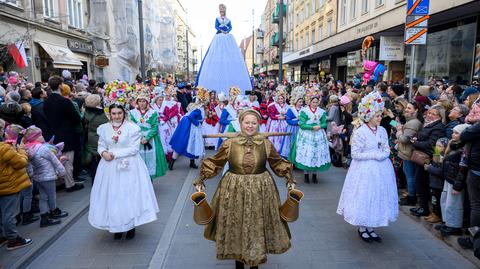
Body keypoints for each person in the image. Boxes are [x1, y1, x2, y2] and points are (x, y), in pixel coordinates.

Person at [193, 109, 295, 269]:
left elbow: (277, 162)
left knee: (256, 223)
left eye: (253, 123)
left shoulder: (266, 144)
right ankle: (238, 261)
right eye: (246, 122)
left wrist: (289, 178)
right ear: (240, 123)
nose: (250, 126)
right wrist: (202, 178)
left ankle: (255, 261)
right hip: (234, 189)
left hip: (261, 189)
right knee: (235, 222)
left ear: (258, 124)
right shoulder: (229, 143)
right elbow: (215, 161)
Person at [89, 104, 159, 240]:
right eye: (113, 113)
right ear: (109, 114)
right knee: (113, 195)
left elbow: (134, 149)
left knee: (128, 195)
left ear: (124, 113)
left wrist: (113, 154)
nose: (116, 116)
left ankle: (130, 225)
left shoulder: (133, 128)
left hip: (129, 166)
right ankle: (117, 226)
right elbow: (101, 144)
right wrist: (103, 153)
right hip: (109, 167)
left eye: (119, 113)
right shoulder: (104, 128)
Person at [337, 92, 398, 243]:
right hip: (364, 170)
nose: (379, 118)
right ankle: (363, 227)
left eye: (379, 115)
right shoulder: (360, 132)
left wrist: (383, 154)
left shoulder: (383, 130)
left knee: (377, 195)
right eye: (377, 116)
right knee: (365, 194)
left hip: (382, 169)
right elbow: (356, 154)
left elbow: (386, 147)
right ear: (369, 116)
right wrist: (374, 155)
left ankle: (372, 226)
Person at [195, 4, 252, 95]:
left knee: (230, 52)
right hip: (219, 35)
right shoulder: (217, 19)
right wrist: (221, 31)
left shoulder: (228, 20)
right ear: (219, 12)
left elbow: (231, 27)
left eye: (223, 11)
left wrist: (227, 31)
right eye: (221, 11)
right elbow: (216, 26)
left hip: (227, 35)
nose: (222, 12)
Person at [43, 76, 84, 192]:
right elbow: (76, 118)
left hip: (53, 134)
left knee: (57, 159)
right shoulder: (65, 102)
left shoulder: (46, 102)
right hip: (67, 134)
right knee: (68, 160)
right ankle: (70, 184)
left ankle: (60, 182)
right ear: (60, 85)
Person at [23, 126, 68, 227]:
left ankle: (44, 218)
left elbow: (29, 165)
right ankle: (54, 211)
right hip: (48, 177)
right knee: (51, 196)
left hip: (38, 177)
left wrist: (31, 174)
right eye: (40, 135)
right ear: (35, 137)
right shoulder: (43, 148)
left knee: (43, 197)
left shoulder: (29, 149)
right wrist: (62, 172)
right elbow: (55, 161)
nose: (42, 137)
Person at [0, 125, 33, 250]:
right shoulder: (3, 147)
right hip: (7, 184)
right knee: (9, 214)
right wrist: (21, 150)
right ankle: (13, 240)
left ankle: (2, 236)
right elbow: (21, 163)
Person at [410, 105, 446, 217]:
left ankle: (424, 207)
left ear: (440, 116)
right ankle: (422, 206)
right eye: (429, 113)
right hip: (420, 156)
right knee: (419, 182)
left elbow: (432, 145)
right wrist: (415, 138)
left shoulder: (438, 127)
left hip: (427, 158)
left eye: (433, 114)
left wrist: (415, 142)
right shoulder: (427, 124)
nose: (430, 115)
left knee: (421, 182)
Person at [290, 95, 331, 184]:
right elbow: (302, 124)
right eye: (313, 102)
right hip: (306, 135)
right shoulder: (304, 111)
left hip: (318, 135)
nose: (315, 104)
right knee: (307, 153)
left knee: (316, 154)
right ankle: (306, 175)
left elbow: (324, 124)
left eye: (317, 102)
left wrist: (319, 126)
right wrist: (311, 127)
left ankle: (314, 175)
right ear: (309, 102)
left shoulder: (322, 111)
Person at [438, 124, 470, 236]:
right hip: (449, 177)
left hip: (455, 179)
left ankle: (454, 226)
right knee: (445, 200)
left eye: (456, 133)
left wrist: (457, 185)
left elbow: (462, 168)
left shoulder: (464, 148)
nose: (453, 134)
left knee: (454, 203)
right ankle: (447, 221)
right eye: (453, 132)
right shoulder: (453, 145)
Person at [129, 94, 168, 179]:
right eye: (140, 101)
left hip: (151, 140)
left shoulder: (153, 113)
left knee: (151, 160)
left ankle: (149, 181)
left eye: (143, 101)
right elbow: (131, 126)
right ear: (137, 102)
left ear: (147, 102)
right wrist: (139, 137)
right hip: (137, 139)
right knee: (139, 160)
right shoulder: (132, 113)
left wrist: (147, 138)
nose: (142, 103)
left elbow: (155, 127)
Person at [396, 102, 423, 206]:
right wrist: (393, 122)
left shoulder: (413, 123)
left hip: (409, 153)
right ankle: (410, 195)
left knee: (410, 176)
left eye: (409, 108)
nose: (406, 110)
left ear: (416, 110)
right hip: (406, 152)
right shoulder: (410, 121)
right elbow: (400, 127)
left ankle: (411, 197)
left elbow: (404, 139)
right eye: (406, 108)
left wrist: (398, 131)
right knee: (408, 174)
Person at [169, 99, 206, 170]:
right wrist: (197, 123)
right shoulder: (198, 109)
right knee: (189, 143)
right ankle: (189, 163)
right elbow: (191, 116)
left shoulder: (196, 108)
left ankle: (173, 163)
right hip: (190, 127)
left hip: (185, 125)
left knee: (182, 143)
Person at [83, 94, 109, 180]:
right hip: (100, 139)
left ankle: (94, 178)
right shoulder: (102, 114)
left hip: (90, 139)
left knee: (94, 161)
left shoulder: (85, 113)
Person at [279, 94, 303, 159]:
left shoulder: (303, 110)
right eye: (299, 102)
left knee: (298, 144)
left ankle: (297, 158)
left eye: (302, 102)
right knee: (291, 143)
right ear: (296, 102)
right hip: (291, 128)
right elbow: (288, 120)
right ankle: (289, 158)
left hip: (300, 129)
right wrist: (296, 122)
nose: (301, 103)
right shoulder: (291, 109)